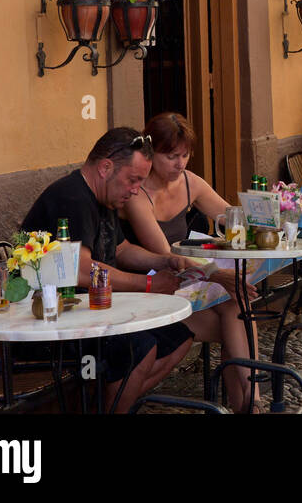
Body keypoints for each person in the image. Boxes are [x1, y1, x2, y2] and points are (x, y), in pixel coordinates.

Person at [21, 128, 194, 413]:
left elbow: (121, 250)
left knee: (177, 339)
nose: (136, 189)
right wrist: (148, 285)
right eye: (133, 179)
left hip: (90, 314)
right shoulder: (71, 198)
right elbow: (81, 270)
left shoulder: (107, 196)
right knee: (140, 348)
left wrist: (163, 260)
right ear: (105, 168)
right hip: (50, 322)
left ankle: (103, 405)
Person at [121, 112, 258, 411]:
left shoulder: (188, 182)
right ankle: (249, 404)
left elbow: (232, 216)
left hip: (190, 285)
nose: (179, 163)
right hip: (154, 288)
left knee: (237, 306)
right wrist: (216, 274)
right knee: (237, 316)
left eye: (185, 155)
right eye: (170, 156)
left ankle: (250, 403)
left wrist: (263, 220)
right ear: (150, 153)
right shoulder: (136, 192)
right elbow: (168, 258)